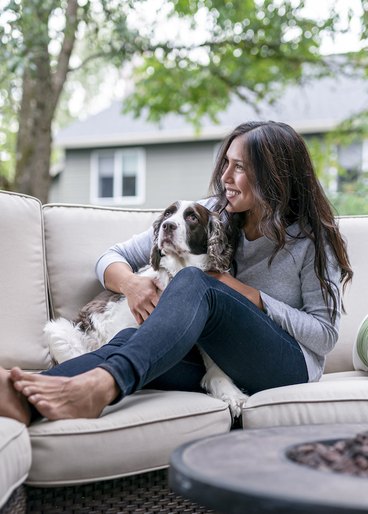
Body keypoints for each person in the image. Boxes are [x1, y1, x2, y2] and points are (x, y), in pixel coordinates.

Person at [0, 121, 353, 426]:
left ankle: (102, 388)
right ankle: (25, 395)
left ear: (274, 177)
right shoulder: (216, 211)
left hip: (286, 367)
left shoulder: (312, 239)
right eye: (226, 164)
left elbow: (323, 336)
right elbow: (113, 257)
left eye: (240, 168)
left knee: (193, 280)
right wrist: (132, 284)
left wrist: (251, 295)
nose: (226, 177)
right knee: (130, 340)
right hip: (216, 361)